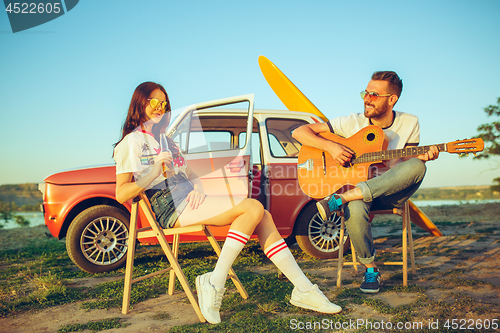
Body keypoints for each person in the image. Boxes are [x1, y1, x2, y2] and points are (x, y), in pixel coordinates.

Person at [113, 82, 342, 324]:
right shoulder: (133, 142)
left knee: (262, 214)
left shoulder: (166, 141)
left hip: (186, 198)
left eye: (164, 103)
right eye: (153, 102)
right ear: (140, 102)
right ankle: (216, 280)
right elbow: (122, 193)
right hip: (167, 205)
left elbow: (191, 175)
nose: (160, 107)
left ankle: (302, 289)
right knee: (254, 207)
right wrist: (153, 171)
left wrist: (198, 189)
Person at [292, 71, 439, 294]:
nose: (366, 98)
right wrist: (332, 147)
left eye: (374, 94)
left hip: (390, 192)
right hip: (359, 195)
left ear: (392, 100)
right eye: (365, 92)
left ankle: (342, 198)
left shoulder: (410, 122)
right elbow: (299, 132)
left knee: (418, 166)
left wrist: (421, 156)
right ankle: (370, 269)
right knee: (355, 204)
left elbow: (403, 165)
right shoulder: (351, 122)